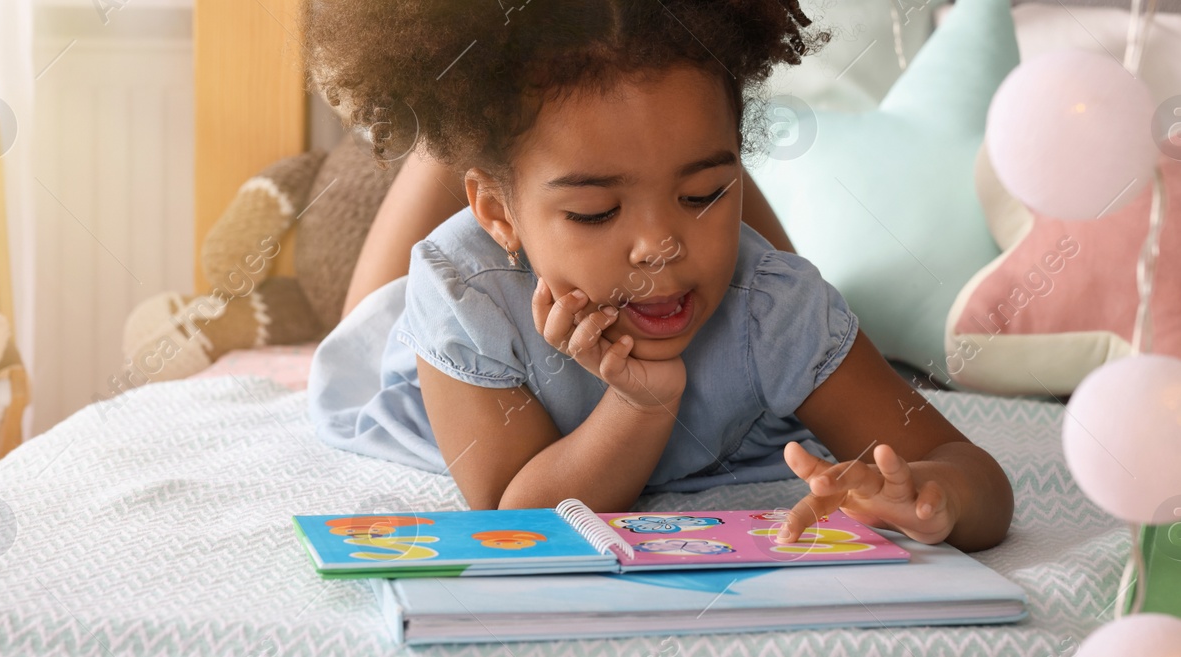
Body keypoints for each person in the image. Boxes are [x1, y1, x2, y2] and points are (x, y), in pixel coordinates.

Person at [305, 0, 1012, 550]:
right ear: (498, 212)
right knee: (370, 314)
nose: (658, 246)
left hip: (700, 255)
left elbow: (972, 472)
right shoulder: (462, 289)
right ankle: (466, 153)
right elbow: (514, 515)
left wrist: (932, 496)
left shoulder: (777, 306)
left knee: (741, 257)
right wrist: (640, 406)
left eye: (704, 193)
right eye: (594, 209)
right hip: (424, 356)